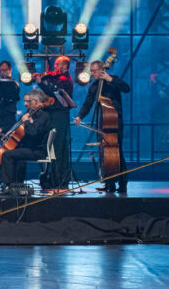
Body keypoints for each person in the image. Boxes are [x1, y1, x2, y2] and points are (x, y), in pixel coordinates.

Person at [74, 60, 131, 193]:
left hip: (114, 121)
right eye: (91, 71)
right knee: (105, 153)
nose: (92, 73)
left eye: (94, 71)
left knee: (117, 152)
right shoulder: (94, 86)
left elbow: (126, 88)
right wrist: (80, 116)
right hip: (103, 122)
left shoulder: (113, 80)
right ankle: (109, 183)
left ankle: (122, 183)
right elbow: (88, 104)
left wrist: (110, 79)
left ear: (102, 70)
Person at [0, 89, 52, 190]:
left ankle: (7, 184)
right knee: (15, 154)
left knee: (6, 155)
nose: (27, 104)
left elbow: (33, 133)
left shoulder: (43, 116)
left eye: (29, 101)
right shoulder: (32, 114)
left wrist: (26, 121)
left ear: (36, 102)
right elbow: (23, 130)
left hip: (38, 151)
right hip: (31, 148)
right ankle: (16, 184)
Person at [35, 56, 75, 190]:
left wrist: (41, 82)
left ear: (65, 66)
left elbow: (53, 92)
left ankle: (60, 179)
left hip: (60, 116)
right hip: (53, 115)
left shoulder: (65, 80)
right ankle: (53, 178)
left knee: (58, 146)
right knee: (52, 147)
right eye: (55, 65)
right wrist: (44, 77)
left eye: (58, 65)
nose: (55, 67)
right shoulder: (55, 78)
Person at [0, 60, 20, 135]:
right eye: (0, 71)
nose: (2, 73)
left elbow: (14, 97)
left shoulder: (14, 84)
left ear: (10, 70)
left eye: (4, 70)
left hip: (8, 118)